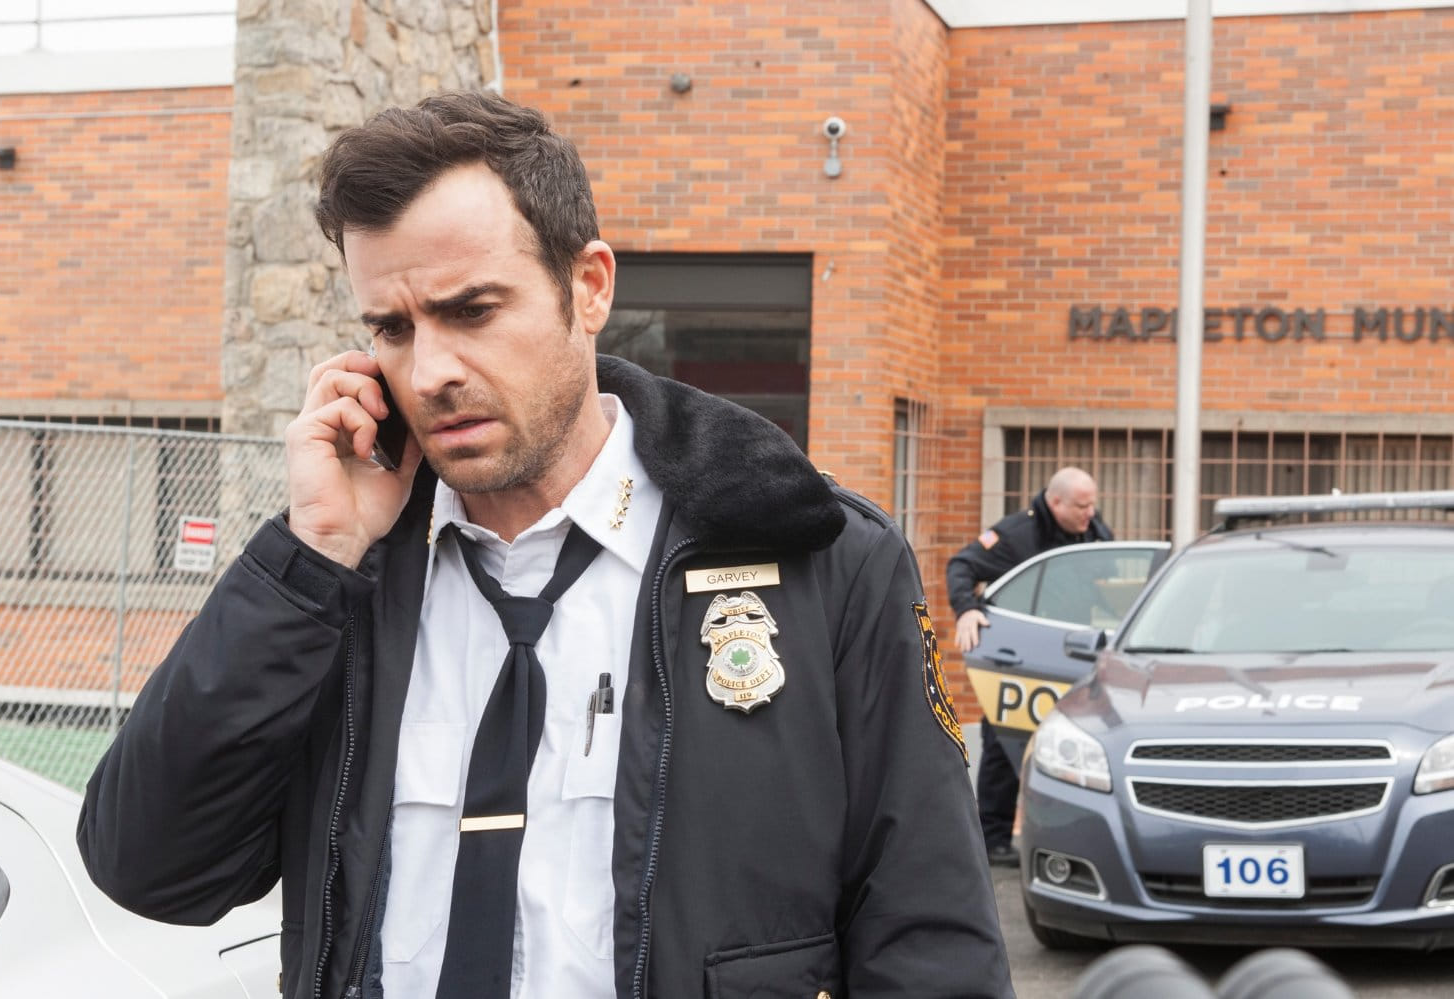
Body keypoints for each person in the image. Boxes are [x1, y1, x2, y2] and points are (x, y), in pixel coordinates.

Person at [77, 90, 1013, 999]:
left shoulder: (821, 564)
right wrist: (312, 555)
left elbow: (930, 939)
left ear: (588, 286)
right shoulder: (343, 578)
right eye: (392, 329)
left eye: (472, 310)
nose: (429, 372)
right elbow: (151, 866)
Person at [945, 467, 1111, 868]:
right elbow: (961, 566)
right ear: (1056, 502)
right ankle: (993, 841)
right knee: (1003, 745)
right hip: (1023, 655)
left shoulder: (1092, 530)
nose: (1091, 513)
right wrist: (967, 609)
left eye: (1092, 504)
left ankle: (1077, 836)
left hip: (1074, 654)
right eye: (1082, 506)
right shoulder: (1017, 535)